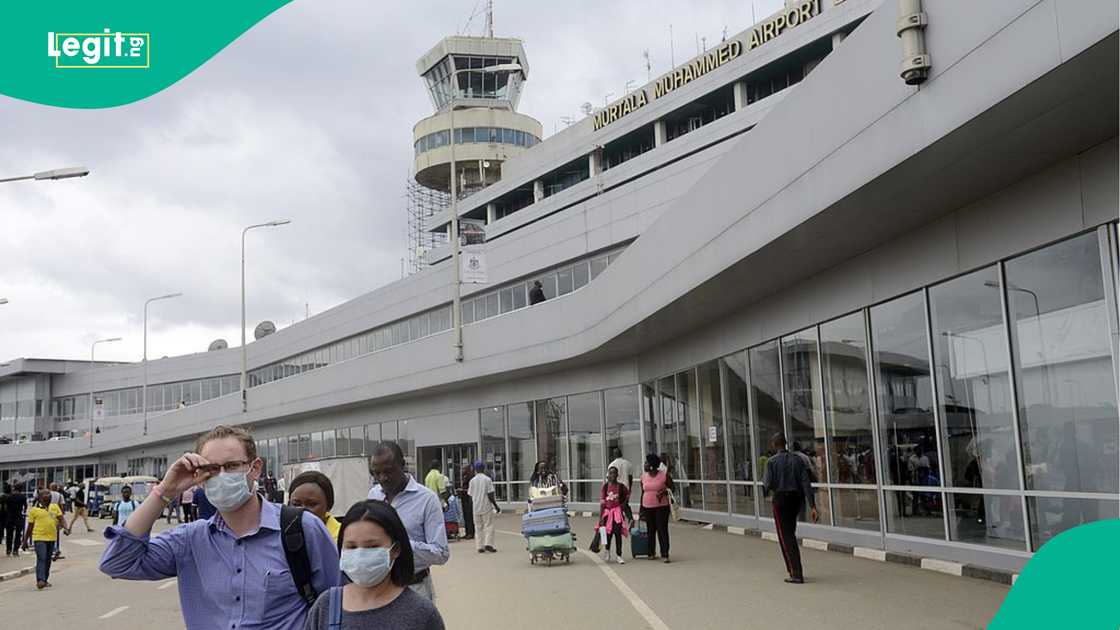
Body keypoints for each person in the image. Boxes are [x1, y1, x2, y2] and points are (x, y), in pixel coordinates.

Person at [99, 425, 340, 630]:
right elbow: (118, 562)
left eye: (232, 465)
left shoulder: (302, 528)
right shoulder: (189, 540)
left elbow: (337, 605)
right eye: (212, 469)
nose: (222, 475)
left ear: (254, 468)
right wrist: (165, 491)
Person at [304, 500, 445, 630]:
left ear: (395, 550)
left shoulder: (421, 613)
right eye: (351, 547)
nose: (360, 555)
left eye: (372, 546)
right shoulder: (325, 606)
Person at [367, 441, 449, 601]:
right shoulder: (373, 495)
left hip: (415, 589)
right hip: (379, 589)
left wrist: (401, 544)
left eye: (388, 471)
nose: (382, 478)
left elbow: (441, 553)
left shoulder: (427, 499)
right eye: (376, 473)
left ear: (403, 465)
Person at [763, 432, 818, 584]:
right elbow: (806, 483)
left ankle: (796, 572)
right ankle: (794, 569)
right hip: (796, 500)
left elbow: (767, 484)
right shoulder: (798, 460)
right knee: (790, 533)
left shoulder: (771, 462)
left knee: (785, 536)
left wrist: (770, 490)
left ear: (774, 445)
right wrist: (812, 505)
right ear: (785, 443)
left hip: (780, 500)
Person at [22, 489, 68, 589]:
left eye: (49, 494)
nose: (48, 495)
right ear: (40, 497)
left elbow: (61, 519)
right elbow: (30, 527)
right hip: (39, 537)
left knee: (48, 560)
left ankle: (45, 579)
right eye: (45, 494)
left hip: (51, 538)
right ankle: (40, 580)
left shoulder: (55, 507)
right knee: (41, 558)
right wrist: (25, 541)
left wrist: (66, 528)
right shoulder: (34, 510)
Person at [289, 470, 342, 541]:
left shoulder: (344, 538)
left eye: (312, 504)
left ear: (328, 505)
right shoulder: (281, 537)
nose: (303, 510)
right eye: (296, 504)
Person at [640, 454, 673, 563]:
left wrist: (663, 492)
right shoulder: (643, 476)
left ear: (652, 465)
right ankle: (651, 552)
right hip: (647, 506)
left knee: (662, 529)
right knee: (650, 530)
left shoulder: (664, 475)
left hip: (662, 507)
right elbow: (643, 492)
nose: (645, 464)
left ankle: (665, 553)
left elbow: (672, 488)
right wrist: (641, 510)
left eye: (647, 462)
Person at [599, 466, 634, 564]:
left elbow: (627, 494)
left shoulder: (621, 486)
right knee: (607, 535)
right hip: (607, 514)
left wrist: (623, 505)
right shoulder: (605, 487)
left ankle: (619, 555)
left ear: (617, 475)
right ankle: (607, 551)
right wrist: (601, 518)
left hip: (617, 514)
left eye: (614, 473)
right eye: (611, 473)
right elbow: (602, 503)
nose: (613, 475)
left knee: (617, 534)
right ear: (608, 475)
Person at [467, 461, 501, 554]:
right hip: (486, 506)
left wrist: (471, 508)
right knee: (489, 525)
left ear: (475, 469)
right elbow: (490, 494)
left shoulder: (472, 481)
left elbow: (470, 496)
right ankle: (488, 544)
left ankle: (479, 547)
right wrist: (495, 505)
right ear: (484, 469)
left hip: (476, 507)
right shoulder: (487, 479)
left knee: (478, 527)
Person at [3, 483, 27, 557]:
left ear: (14, 488)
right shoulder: (23, 497)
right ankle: (15, 550)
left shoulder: (9, 497)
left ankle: (8, 549)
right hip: (19, 517)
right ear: (21, 489)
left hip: (10, 517)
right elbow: (25, 507)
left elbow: (6, 507)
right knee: (18, 534)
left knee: (9, 534)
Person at [456, 465, 475, 541]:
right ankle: (467, 532)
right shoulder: (464, 477)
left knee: (469, 516)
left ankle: (471, 533)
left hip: (468, 499)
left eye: (464, 469)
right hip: (464, 499)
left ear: (467, 470)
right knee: (465, 517)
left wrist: (462, 490)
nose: (462, 470)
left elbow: (471, 489)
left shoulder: (470, 478)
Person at [48, 483, 65, 560]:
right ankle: (56, 548)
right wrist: (61, 516)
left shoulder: (47, 494)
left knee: (49, 532)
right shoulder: (60, 495)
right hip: (57, 514)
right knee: (55, 533)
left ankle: (53, 549)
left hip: (48, 513)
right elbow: (62, 506)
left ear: (50, 488)